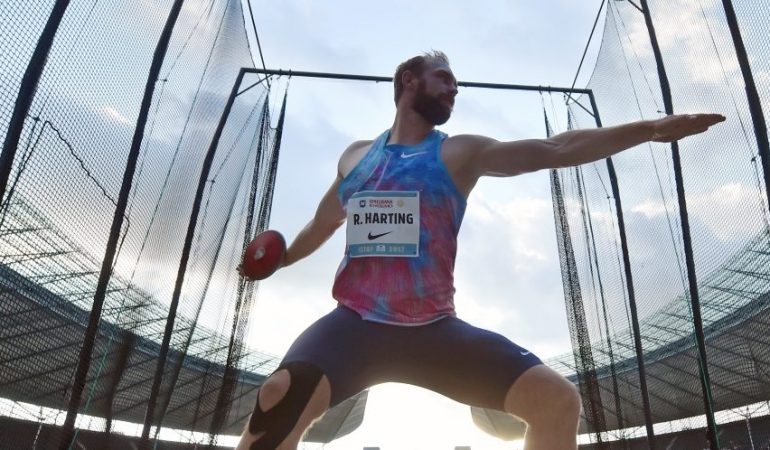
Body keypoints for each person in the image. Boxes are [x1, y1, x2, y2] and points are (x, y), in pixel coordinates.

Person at [235, 51, 725, 450]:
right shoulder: (356, 157)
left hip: (432, 330)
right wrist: (283, 259)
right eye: (443, 78)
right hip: (354, 326)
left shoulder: (458, 153)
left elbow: (555, 149)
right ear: (409, 81)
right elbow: (323, 222)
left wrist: (650, 130)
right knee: (279, 396)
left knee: (556, 402)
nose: (453, 89)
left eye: (455, 83)